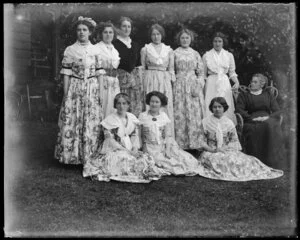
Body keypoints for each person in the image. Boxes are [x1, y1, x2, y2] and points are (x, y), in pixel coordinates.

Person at [83, 93, 167, 183]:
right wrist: (127, 151)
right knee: (125, 159)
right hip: (113, 149)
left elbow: (135, 135)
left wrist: (134, 148)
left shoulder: (132, 117)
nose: (121, 106)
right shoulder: (110, 119)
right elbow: (110, 140)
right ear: (115, 105)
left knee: (145, 158)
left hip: (129, 147)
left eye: (124, 103)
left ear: (128, 105)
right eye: (119, 103)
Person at [197, 97, 283, 181]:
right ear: (211, 108)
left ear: (224, 108)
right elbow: (200, 140)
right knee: (223, 161)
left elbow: (234, 140)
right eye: (214, 107)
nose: (217, 109)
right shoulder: (205, 122)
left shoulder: (228, 122)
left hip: (227, 150)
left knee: (247, 160)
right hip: (210, 152)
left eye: (220, 107)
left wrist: (225, 148)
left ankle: (256, 171)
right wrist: (213, 150)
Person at [54, 16, 103, 164]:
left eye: (84, 30)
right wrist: (67, 93)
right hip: (75, 86)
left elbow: (99, 72)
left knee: (90, 119)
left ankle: (89, 155)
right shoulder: (70, 50)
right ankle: (71, 155)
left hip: (92, 87)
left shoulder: (96, 49)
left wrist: (100, 92)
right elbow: (66, 74)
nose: (81, 32)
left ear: (90, 32)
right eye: (79, 30)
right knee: (73, 119)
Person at [138, 91, 200, 176]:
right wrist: (144, 148)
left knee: (185, 159)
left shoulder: (163, 116)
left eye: (157, 102)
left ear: (161, 104)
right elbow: (140, 135)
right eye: (152, 101)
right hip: (151, 147)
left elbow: (168, 135)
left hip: (165, 145)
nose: (154, 104)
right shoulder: (143, 116)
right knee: (161, 162)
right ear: (149, 102)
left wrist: (167, 150)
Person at [235, 73, 285, 169]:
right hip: (251, 119)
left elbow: (277, 110)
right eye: (251, 81)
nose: (252, 84)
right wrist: (250, 118)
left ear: (262, 84)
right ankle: (255, 162)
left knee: (271, 126)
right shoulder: (244, 95)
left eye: (255, 82)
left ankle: (271, 161)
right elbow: (239, 109)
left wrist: (267, 118)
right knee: (253, 129)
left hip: (267, 118)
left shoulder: (268, 95)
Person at [173, 28, 206, 150]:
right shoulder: (174, 53)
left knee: (195, 113)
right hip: (179, 86)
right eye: (182, 38)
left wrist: (198, 86)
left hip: (193, 86)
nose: (185, 40)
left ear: (191, 39)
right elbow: (171, 71)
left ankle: (197, 144)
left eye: (187, 37)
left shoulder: (195, 53)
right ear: (179, 39)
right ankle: (182, 144)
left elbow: (201, 73)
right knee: (180, 113)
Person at [140, 24, 175, 137]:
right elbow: (143, 68)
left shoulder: (169, 50)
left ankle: (166, 137)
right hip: (150, 78)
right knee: (151, 102)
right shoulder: (145, 49)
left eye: (158, 34)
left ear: (162, 35)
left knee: (164, 104)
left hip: (164, 79)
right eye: (153, 34)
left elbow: (171, 69)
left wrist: (171, 83)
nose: (156, 37)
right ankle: (149, 137)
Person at [202, 32, 239, 124]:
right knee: (210, 104)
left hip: (224, 82)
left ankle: (226, 130)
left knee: (225, 104)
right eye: (215, 41)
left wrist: (237, 82)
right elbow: (203, 75)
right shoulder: (206, 55)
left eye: (219, 41)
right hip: (211, 83)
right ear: (212, 42)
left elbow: (232, 72)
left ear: (223, 42)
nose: (217, 43)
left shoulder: (229, 55)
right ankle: (210, 129)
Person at [113, 17, 143, 117]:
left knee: (134, 109)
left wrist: (138, 82)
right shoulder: (114, 44)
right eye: (124, 26)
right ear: (118, 28)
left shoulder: (135, 45)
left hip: (134, 83)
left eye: (129, 26)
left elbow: (138, 65)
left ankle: (133, 131)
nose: (126, 29)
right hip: (121, 82)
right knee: (122, 107)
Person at [94, 21, 121, 118]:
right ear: (101, 34)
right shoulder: (96, 48)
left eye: (111, 32)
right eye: (105, 32)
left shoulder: (115, 50)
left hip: (114, 82)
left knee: (113, 106)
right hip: (102, 81)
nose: (108, 34)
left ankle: (111, 129)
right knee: (103, 104)